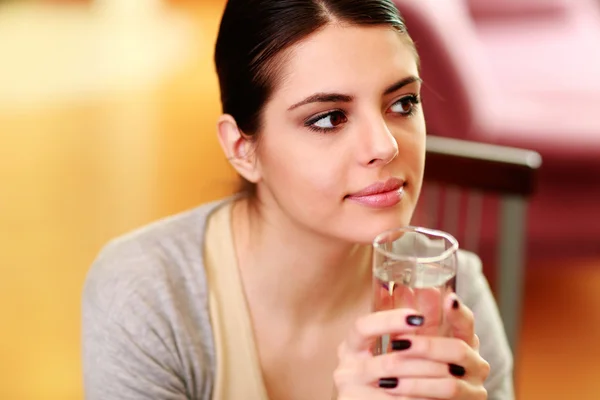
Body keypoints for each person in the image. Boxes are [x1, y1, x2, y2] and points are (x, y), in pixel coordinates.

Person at [82, 0, 513, 399]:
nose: (384, 146)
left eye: (402, 103)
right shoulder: (147, 298)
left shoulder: (449, 296)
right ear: (242, 148)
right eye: (329, 118)